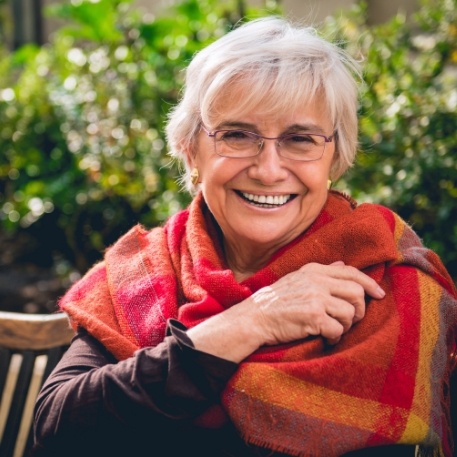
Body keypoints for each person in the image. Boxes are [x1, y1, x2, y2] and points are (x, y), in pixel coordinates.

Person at [32, 16, 457, 457]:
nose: (269, 169)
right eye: (237, 135)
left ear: (335, 159)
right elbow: (56, 429)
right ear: (190, 148)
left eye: (300, 139)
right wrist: (251, 321)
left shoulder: (388, 276)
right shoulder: (141, 272)